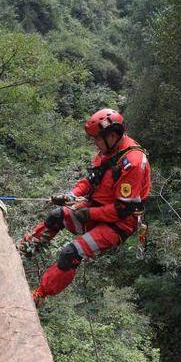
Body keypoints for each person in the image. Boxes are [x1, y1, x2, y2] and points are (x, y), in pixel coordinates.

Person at [18, 108, 151, 307]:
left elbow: (122, 210)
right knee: (56, 216)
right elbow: (89, 181)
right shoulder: (107, 151)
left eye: (96, 139)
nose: (94, 144)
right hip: (95, 209)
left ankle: (39, 295)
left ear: (112, 135)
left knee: (70, 254)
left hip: (118, 224)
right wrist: (71, 195)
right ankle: (26, 250)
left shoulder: (132, 163)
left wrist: (87, 212)